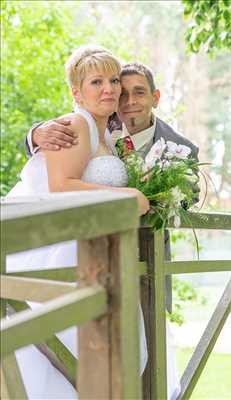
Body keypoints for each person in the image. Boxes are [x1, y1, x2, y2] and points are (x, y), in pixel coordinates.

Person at [6, 46, 181, 400]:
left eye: (113, 80)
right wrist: (129, 196)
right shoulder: (75, 124)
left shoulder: (107, 134)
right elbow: (60, 187)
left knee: (108, 355)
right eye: (96, 82)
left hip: (101, 254)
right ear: (75, 92)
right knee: (72, 351)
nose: (109, 89)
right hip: (61, 256)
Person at [26, 62, 200, 314]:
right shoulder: (99, 122)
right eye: (123, 92)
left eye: (139, 92)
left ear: (156, 97)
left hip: (147, 257)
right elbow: (61, 146)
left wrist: (153, 199)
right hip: (91, 253)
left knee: (148, 340)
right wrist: (34, 134)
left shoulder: (182, 148)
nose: (129, 101)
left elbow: (186, 200)